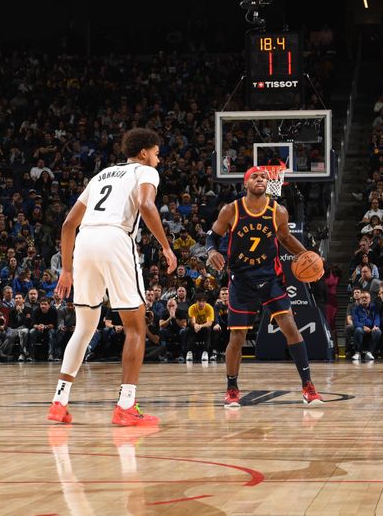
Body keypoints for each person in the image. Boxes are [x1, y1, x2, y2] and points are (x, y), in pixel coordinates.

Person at [48, 128, 177, 426]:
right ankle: (126, 406)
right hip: (115, 239)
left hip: (85, 242)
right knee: (135, 327)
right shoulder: (145, 172)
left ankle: (59, 402)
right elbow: (146, 205)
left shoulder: (102, 175)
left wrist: (66, 269)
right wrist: (166, 247)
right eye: (156, 153)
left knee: (84, 328)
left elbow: (68, 224)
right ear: (144, 153)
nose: (158, 160)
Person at [206, 166, 323, 407]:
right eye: (255, 177)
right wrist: (211, 251)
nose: (260, 180)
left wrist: (310, 258)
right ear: (245, 183)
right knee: (237, 337)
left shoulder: (278, 211)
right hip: (241, 280)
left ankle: (308, 386)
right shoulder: (231, 210)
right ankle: (232, 388)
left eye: (263, 177)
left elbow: (285, 238)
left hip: (271, 278)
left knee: (290, 327)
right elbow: (212, 237)